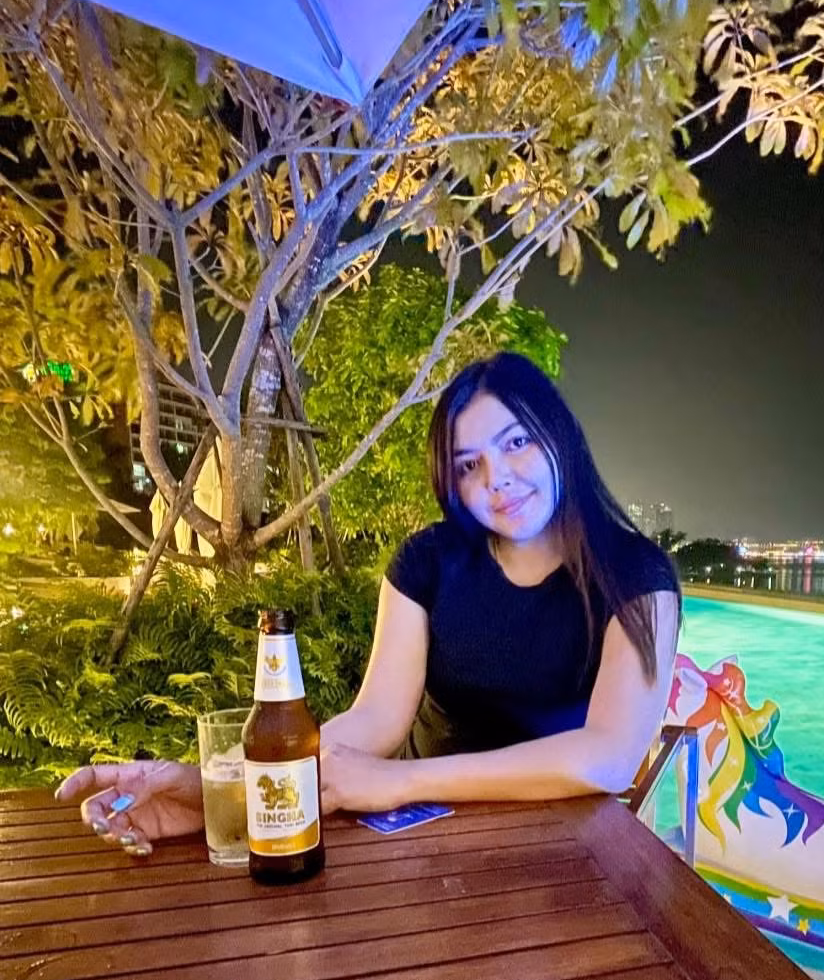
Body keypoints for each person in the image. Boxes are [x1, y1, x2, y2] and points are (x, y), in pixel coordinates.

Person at [57, 353, 681, 856]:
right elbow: (375, 721)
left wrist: (402, 781)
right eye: (469, 465)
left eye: (516, 441)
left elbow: (608, 756)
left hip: (565, 854)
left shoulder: (636, 575)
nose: (497, 479)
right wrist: (221, 793)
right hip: (422, 845)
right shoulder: (429, 562)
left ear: (559, 435)